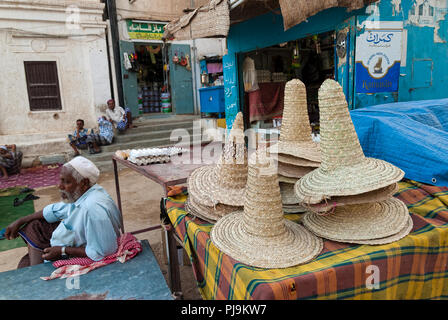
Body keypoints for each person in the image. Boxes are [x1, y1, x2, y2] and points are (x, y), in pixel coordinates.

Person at [5, 156, 123, 268]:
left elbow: (103, 252)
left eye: (66, 182)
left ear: (83, 183)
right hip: (75, 241)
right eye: (60, 180)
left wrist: (62, 251)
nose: (60, 186)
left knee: (25, 265)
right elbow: (55, 210)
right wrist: (21, 220)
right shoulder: (86, 192)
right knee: (35, 225)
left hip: (83, 251)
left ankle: (38, 274)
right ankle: (36, 268)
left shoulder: (92, 209)